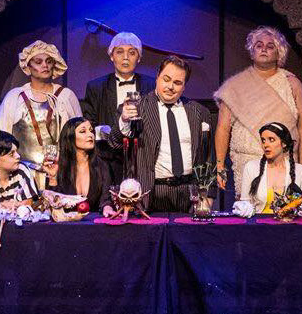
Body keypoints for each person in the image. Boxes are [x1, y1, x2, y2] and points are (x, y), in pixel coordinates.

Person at [214, 26, 302, 197]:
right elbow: (223, 128)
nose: (264, 49)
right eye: (259, 45)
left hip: (285, 162)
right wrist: (220, 166)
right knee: (248, 209)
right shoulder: (235, 85)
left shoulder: (292, 84)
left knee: (285, 209)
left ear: (279, 53)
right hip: (246, 162)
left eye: (270, 46)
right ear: (252, 51)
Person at [109, 56, 214, 212]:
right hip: (150, 194)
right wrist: (124, 120)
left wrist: (209, 196)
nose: (170, 86)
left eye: (177, 83)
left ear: (184, 86)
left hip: (189, 193)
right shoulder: (138, 108)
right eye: (166, 79)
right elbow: (115, 143)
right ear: (157, 77)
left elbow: (208, 157)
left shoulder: (199, 112)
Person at [0, 39, 82, 185]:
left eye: (49, 61)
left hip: (61, 173)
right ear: (28, 66)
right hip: (22, 175)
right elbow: (0, 137)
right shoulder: (15, 97)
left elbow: (79, 136)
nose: (45, 65)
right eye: (38, 62)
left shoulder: (66, 96)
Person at [80, 32, 156, 182]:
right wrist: (106, 132)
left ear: (139, 58)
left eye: (132, 53)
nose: (125, 57)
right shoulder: (96, 87)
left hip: (144, 160)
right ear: (111, 56)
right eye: (120, 52)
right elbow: (89, 124)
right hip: (107, 160)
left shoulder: (152, 85)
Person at [43, 117, 115, 215]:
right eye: (83, 131)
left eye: (91, 131)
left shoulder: (102, 165)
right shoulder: (59, 166)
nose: (90, 135)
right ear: (70, 137)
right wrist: (52, 178)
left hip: (93, 221)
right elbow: (53, 205)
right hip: (65, 223)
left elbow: (106, 199)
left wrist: (107, 208)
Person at [239, 122, 302, 214]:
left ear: (284, 143)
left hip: (288, 222)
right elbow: (244, 204)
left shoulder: (301, 171)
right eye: (263, 140)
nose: (265, 145)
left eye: (271, 140)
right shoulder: (251, 167)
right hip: (259, 221)